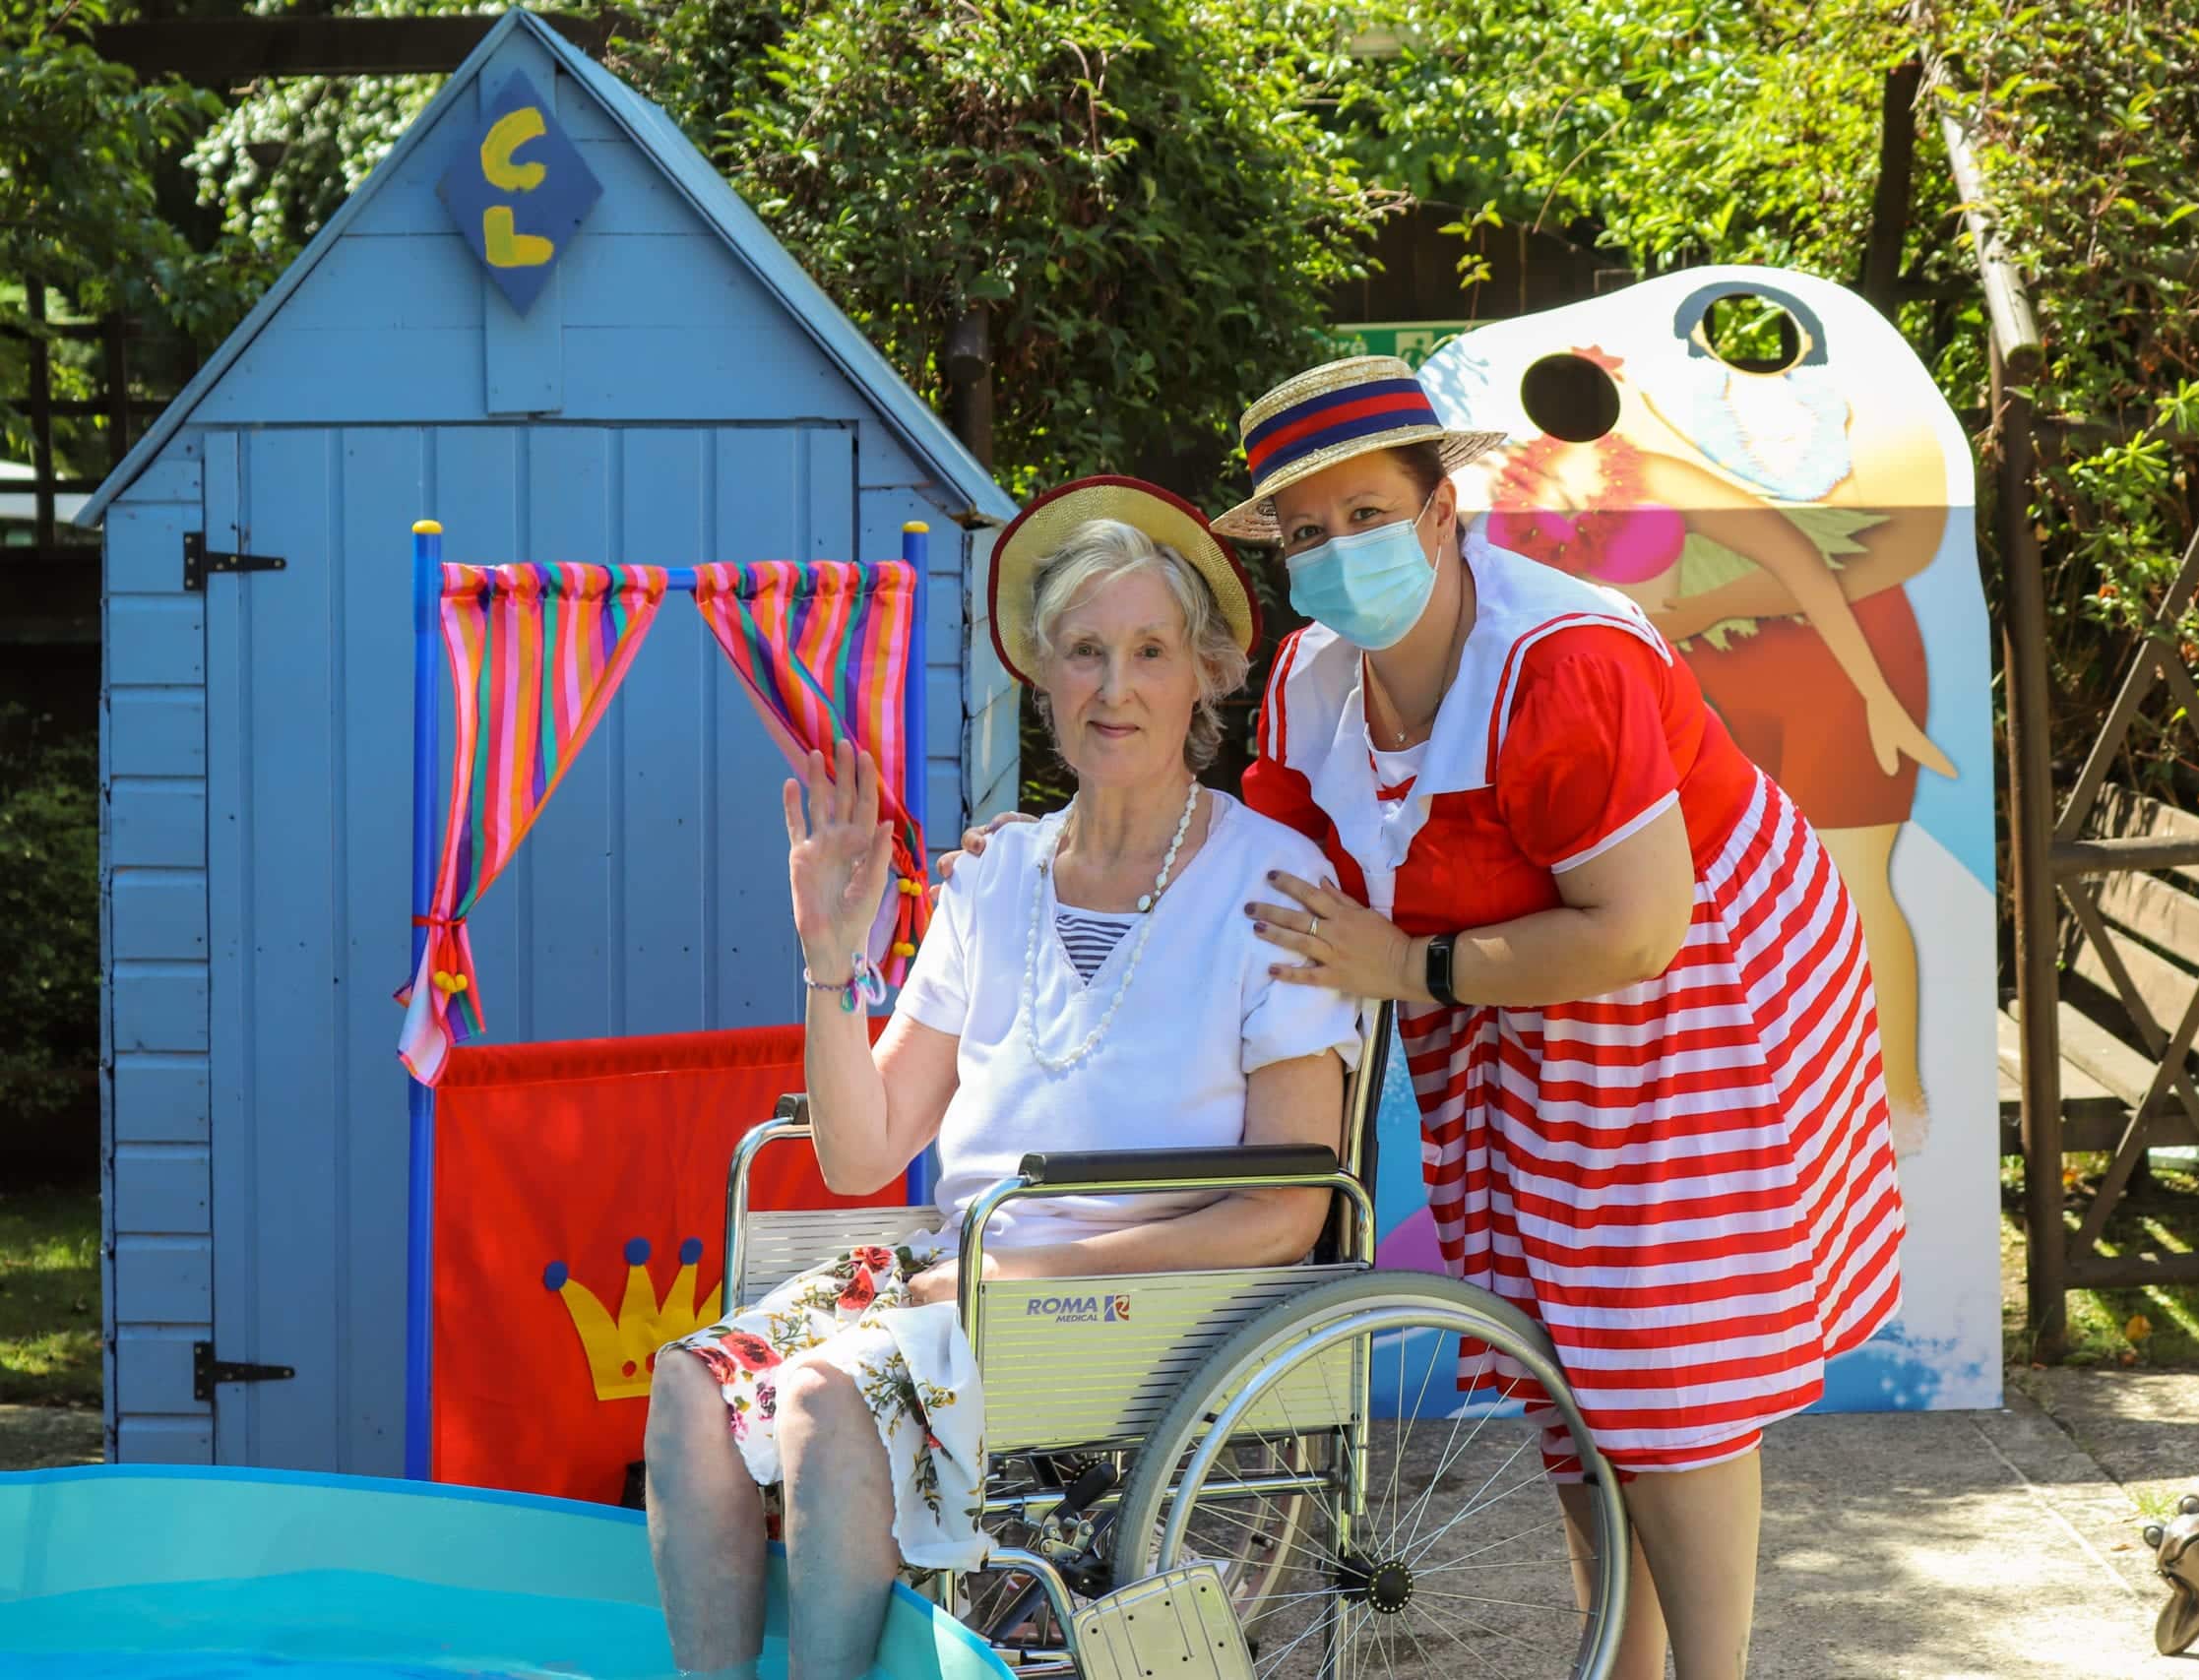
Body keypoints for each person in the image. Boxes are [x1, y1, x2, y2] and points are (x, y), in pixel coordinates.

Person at [1221, 355, 1905, 1680]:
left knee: (1660, 1350)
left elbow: (1634, 927)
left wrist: (1407, 963)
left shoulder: (1560, 660)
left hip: (1688, 974)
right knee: (1562, 1352)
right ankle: (1618, 1663)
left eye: (1366, 514)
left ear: (1441, 511)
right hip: (1491, 989)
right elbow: (1274, 883)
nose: (1337, 551)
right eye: (1305, 534)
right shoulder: (1309, 682)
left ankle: (1712, 1671)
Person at [642, 475, 1363, 1680]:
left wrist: (1024, 1269)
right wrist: (832, 962)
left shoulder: (1270, 883)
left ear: (1204, 676)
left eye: (1149, 651)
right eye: (1085, 651)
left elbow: (1289, 1210)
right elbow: (860, 1155)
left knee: (822, 1395)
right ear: (1042, 677)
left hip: (1136, 1299)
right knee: (691, 1386)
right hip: (965, 1277)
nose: (1115, 687)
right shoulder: (992, 875)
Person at [1457, 330, 1957, 1154]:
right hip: (1554, 749)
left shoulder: (1655, 473)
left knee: (1734, 917)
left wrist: (1876, 692)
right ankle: (1619, 1136)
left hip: (1673, 729)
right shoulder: (1489, 501)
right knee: (1596, 933)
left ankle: (1882, 1109)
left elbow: (1799, 560)